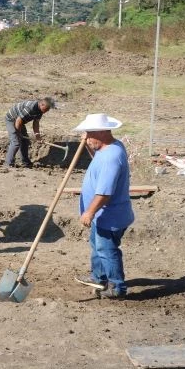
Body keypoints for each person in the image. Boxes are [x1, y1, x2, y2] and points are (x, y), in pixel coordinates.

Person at [73, 113, 133, 299]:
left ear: (101, 133)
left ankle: (117, 288)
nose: (87, 137)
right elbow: (97, 157)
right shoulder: (110, 147)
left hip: (109, 215)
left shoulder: (111, 158)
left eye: (89, 134)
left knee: (107, 250)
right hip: (103, 215)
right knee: (97, 246)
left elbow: (105, 193)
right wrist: (89, 146)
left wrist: (89, 212)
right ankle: (98, 278)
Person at [4, 97, 55, 168]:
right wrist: (18, 133)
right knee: (15, 142)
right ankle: (8, 164)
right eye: (46, 109)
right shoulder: (31, 107)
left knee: (25, 141)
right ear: (42, 104)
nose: (46, 111)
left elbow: (36, 123)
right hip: (11, 119)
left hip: (19, 122)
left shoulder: (40, 111)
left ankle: (25, 162)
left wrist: (38, 137)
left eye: (48, 110)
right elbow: (18, 120)